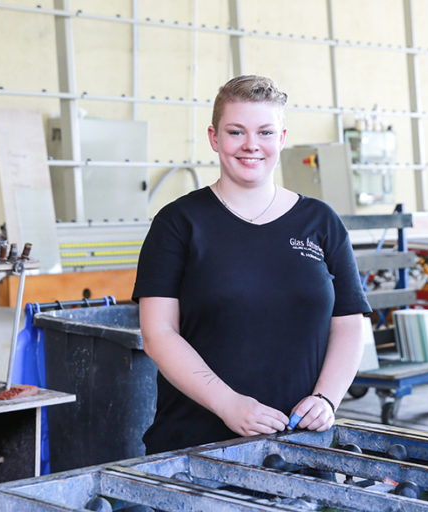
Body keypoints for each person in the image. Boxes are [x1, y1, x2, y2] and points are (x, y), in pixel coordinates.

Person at [132, 75, 372, 455]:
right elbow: (159, 334)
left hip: (299, 446)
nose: (251, 145)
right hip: (196, 446)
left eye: (264, 132)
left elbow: (349, 324)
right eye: (235, 132)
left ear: (281, 138)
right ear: (214, 138)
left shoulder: (321, 222)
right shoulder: (178, 223)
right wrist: (229, 404)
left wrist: (326, 399)